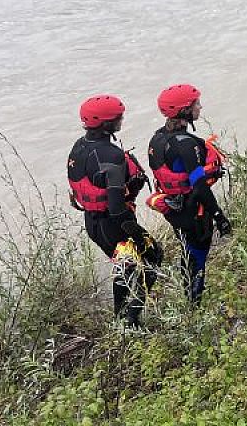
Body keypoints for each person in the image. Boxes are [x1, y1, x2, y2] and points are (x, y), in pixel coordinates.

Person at [68, 95, 162, 326]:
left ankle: (119, 316)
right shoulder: (111, 156)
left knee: (124, 267)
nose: (122, 119)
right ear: (105, 124)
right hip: (115, 224)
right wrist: (139, 235)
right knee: (152, 260)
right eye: (118, 117)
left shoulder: (79, 145)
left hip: (92, 222)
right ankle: (132, 320)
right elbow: (118, 209)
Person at [147, 84, 231, 305]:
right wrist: (219, 217)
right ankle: (194, 305)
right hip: (192, 209)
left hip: (174, 208)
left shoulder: (157, 139)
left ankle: (189, 295)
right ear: (185, 110)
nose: (200, 107)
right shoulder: (185, 145)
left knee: (188, 251)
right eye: (196, 104)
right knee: (198, 256)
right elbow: (200, 186)